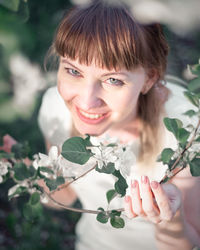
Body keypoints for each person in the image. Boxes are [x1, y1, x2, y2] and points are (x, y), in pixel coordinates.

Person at [38, 1, 200, 249]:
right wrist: (30, 173)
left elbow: (191, 241)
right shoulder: (55, 110)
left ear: (149, 79)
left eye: (113, 79)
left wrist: (170, 219)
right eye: (73, 71)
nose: (87, 101)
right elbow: (64, 196)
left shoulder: (187, 128)